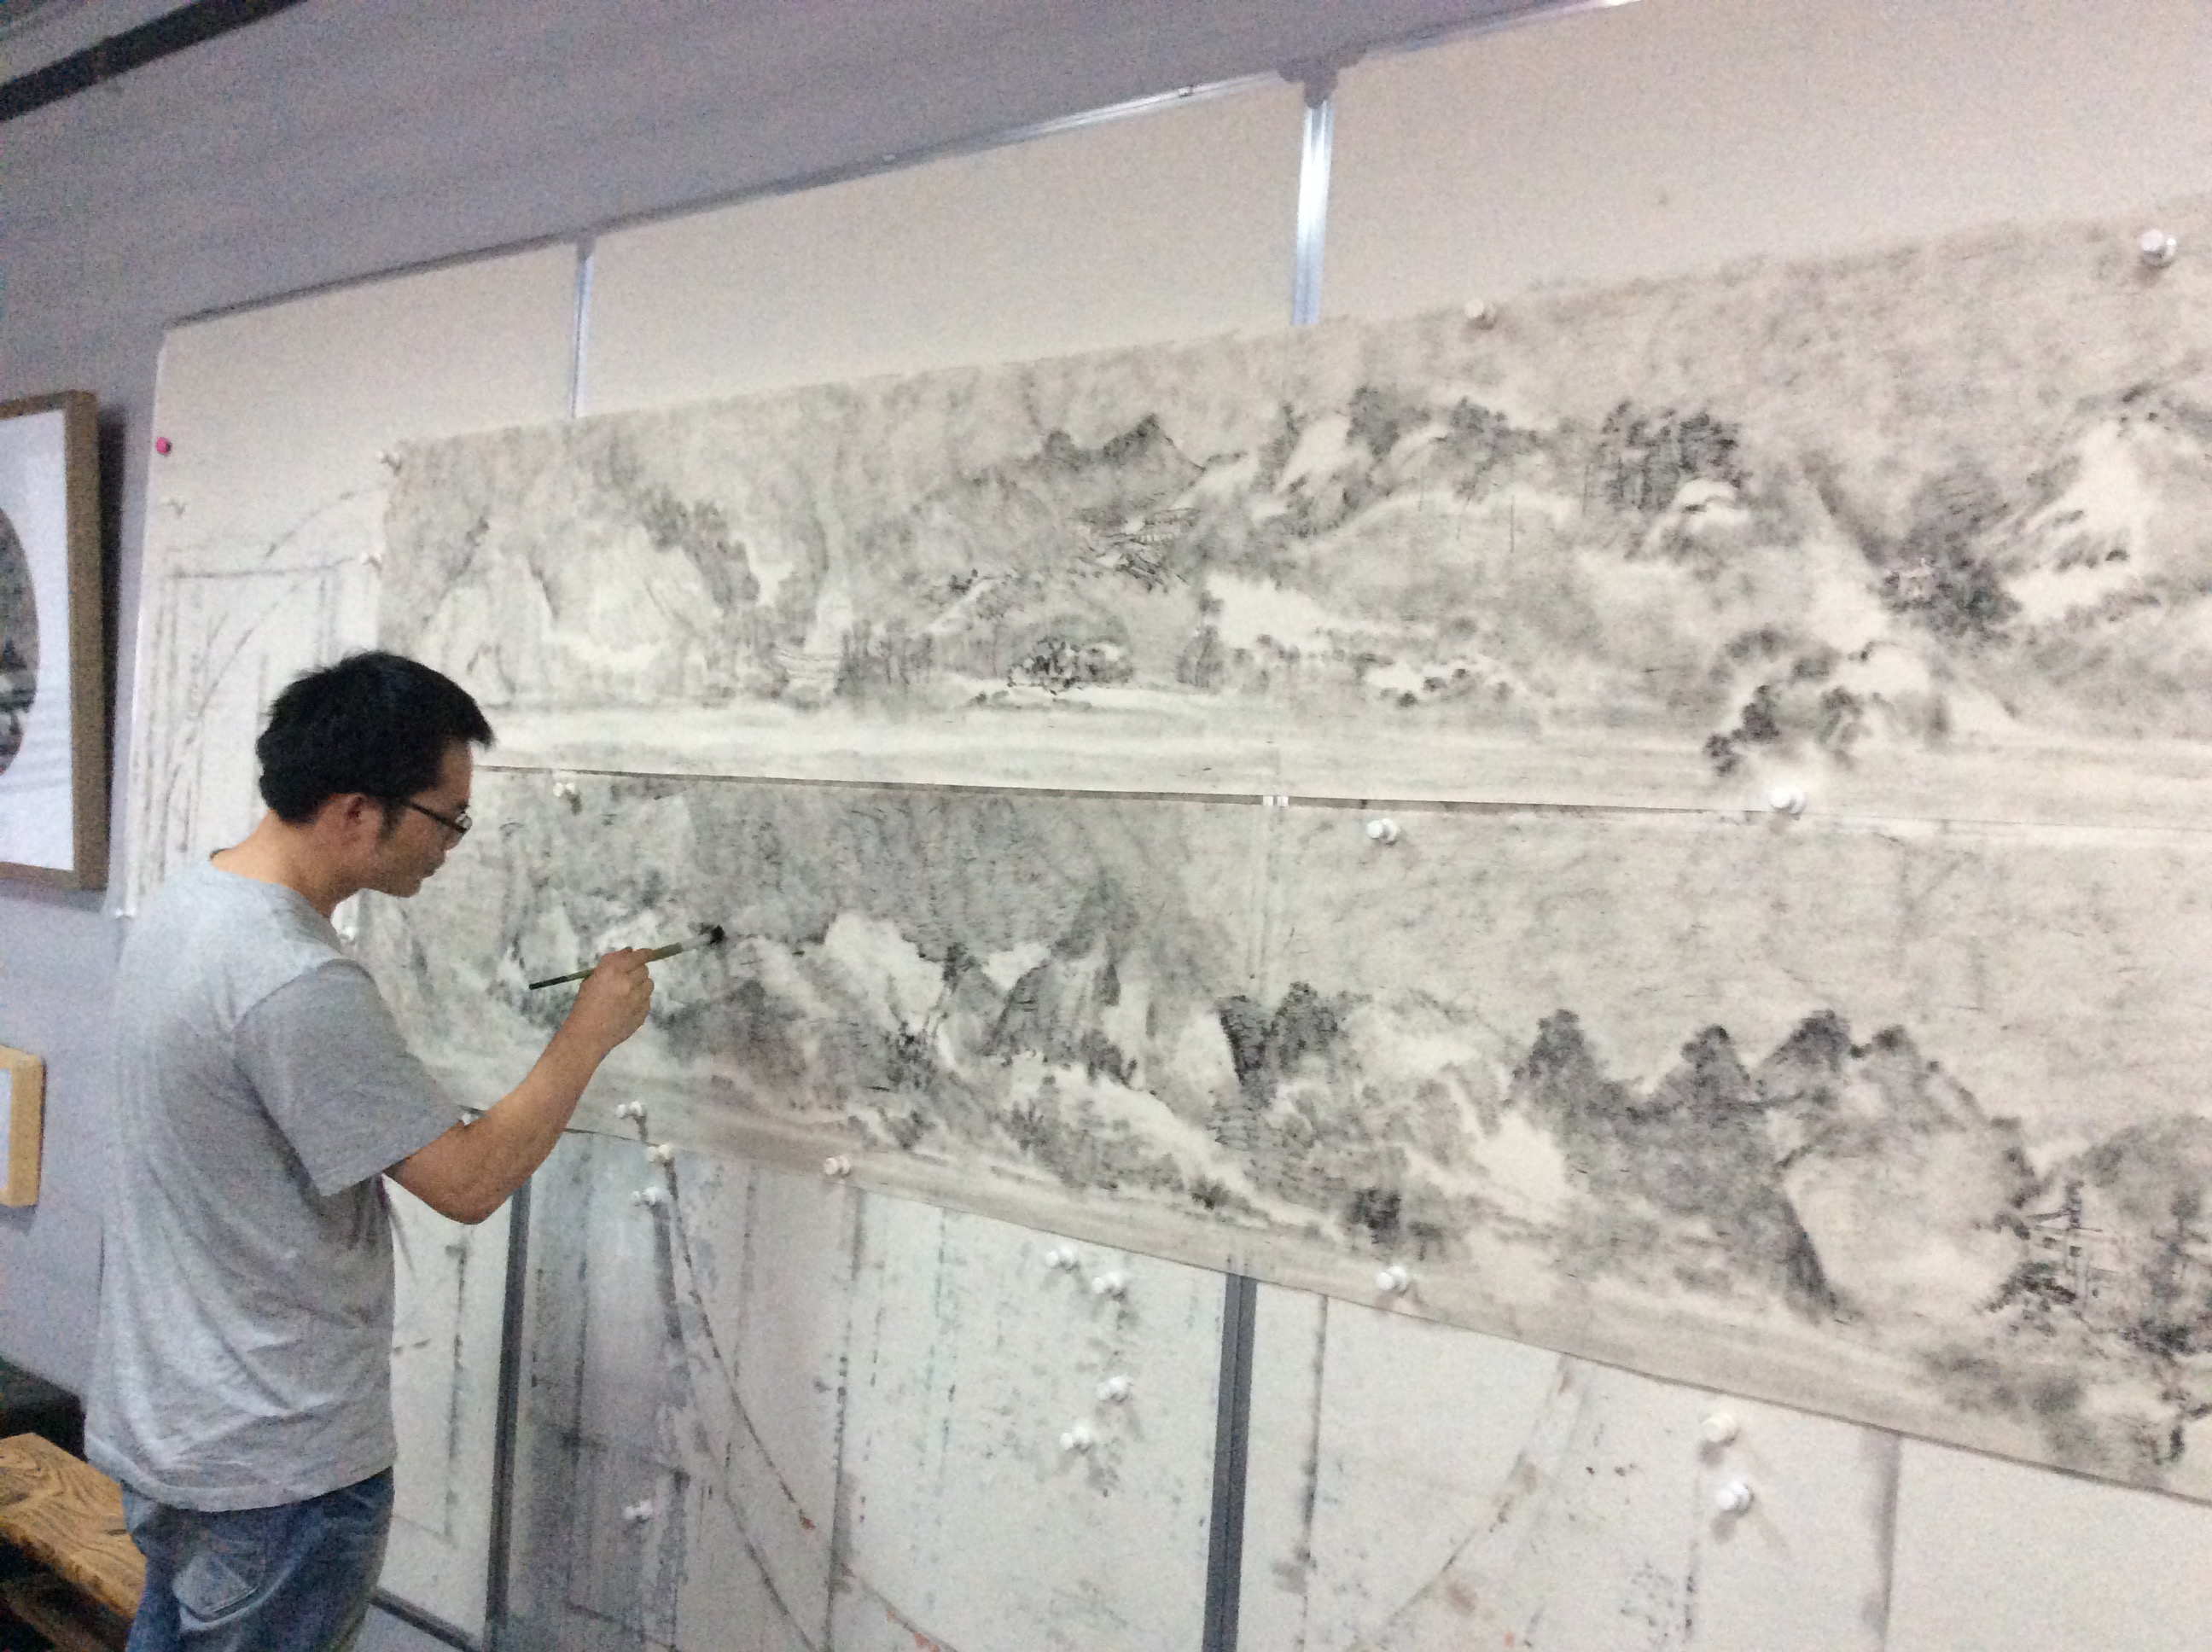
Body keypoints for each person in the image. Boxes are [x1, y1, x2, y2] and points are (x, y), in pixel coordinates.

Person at [85, 650, 655, 1651]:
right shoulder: (292, 977)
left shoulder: (188, 904)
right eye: (448, 818)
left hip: (175, 1427)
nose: (452, 846)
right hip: (271, 1468)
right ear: (356, 811)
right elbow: (468, 1179)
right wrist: (588, 1034)